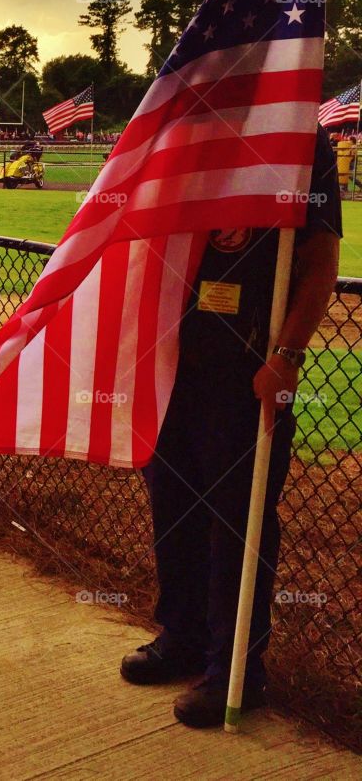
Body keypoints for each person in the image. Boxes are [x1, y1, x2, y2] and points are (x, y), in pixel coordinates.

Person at [120, 125, 341, 728]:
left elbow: (321, 261)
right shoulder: (191, 131)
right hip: (174, 364)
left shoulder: (299, 135)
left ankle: (235, 668)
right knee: (173, 507)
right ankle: (181, 637)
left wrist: (288, 356)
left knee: (239, 523)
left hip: (247, 371)